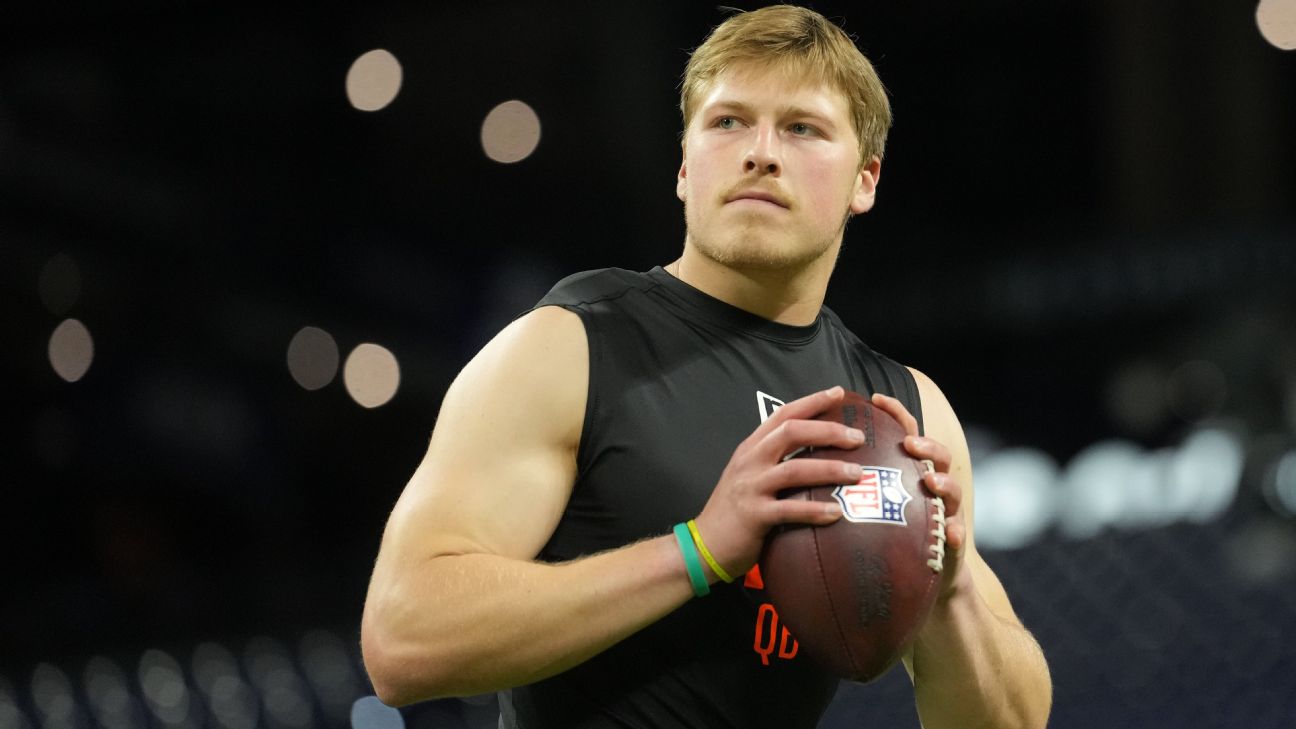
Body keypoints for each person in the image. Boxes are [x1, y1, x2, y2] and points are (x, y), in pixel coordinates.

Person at [360, 5, 1052, 728]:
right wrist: (699, 550)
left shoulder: (903, 412)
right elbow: (403, 642)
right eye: (727, 122)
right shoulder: (572, 345)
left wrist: (950, 594)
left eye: (802, 128)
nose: (761, 153)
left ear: (865, 180)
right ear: (686, 167)